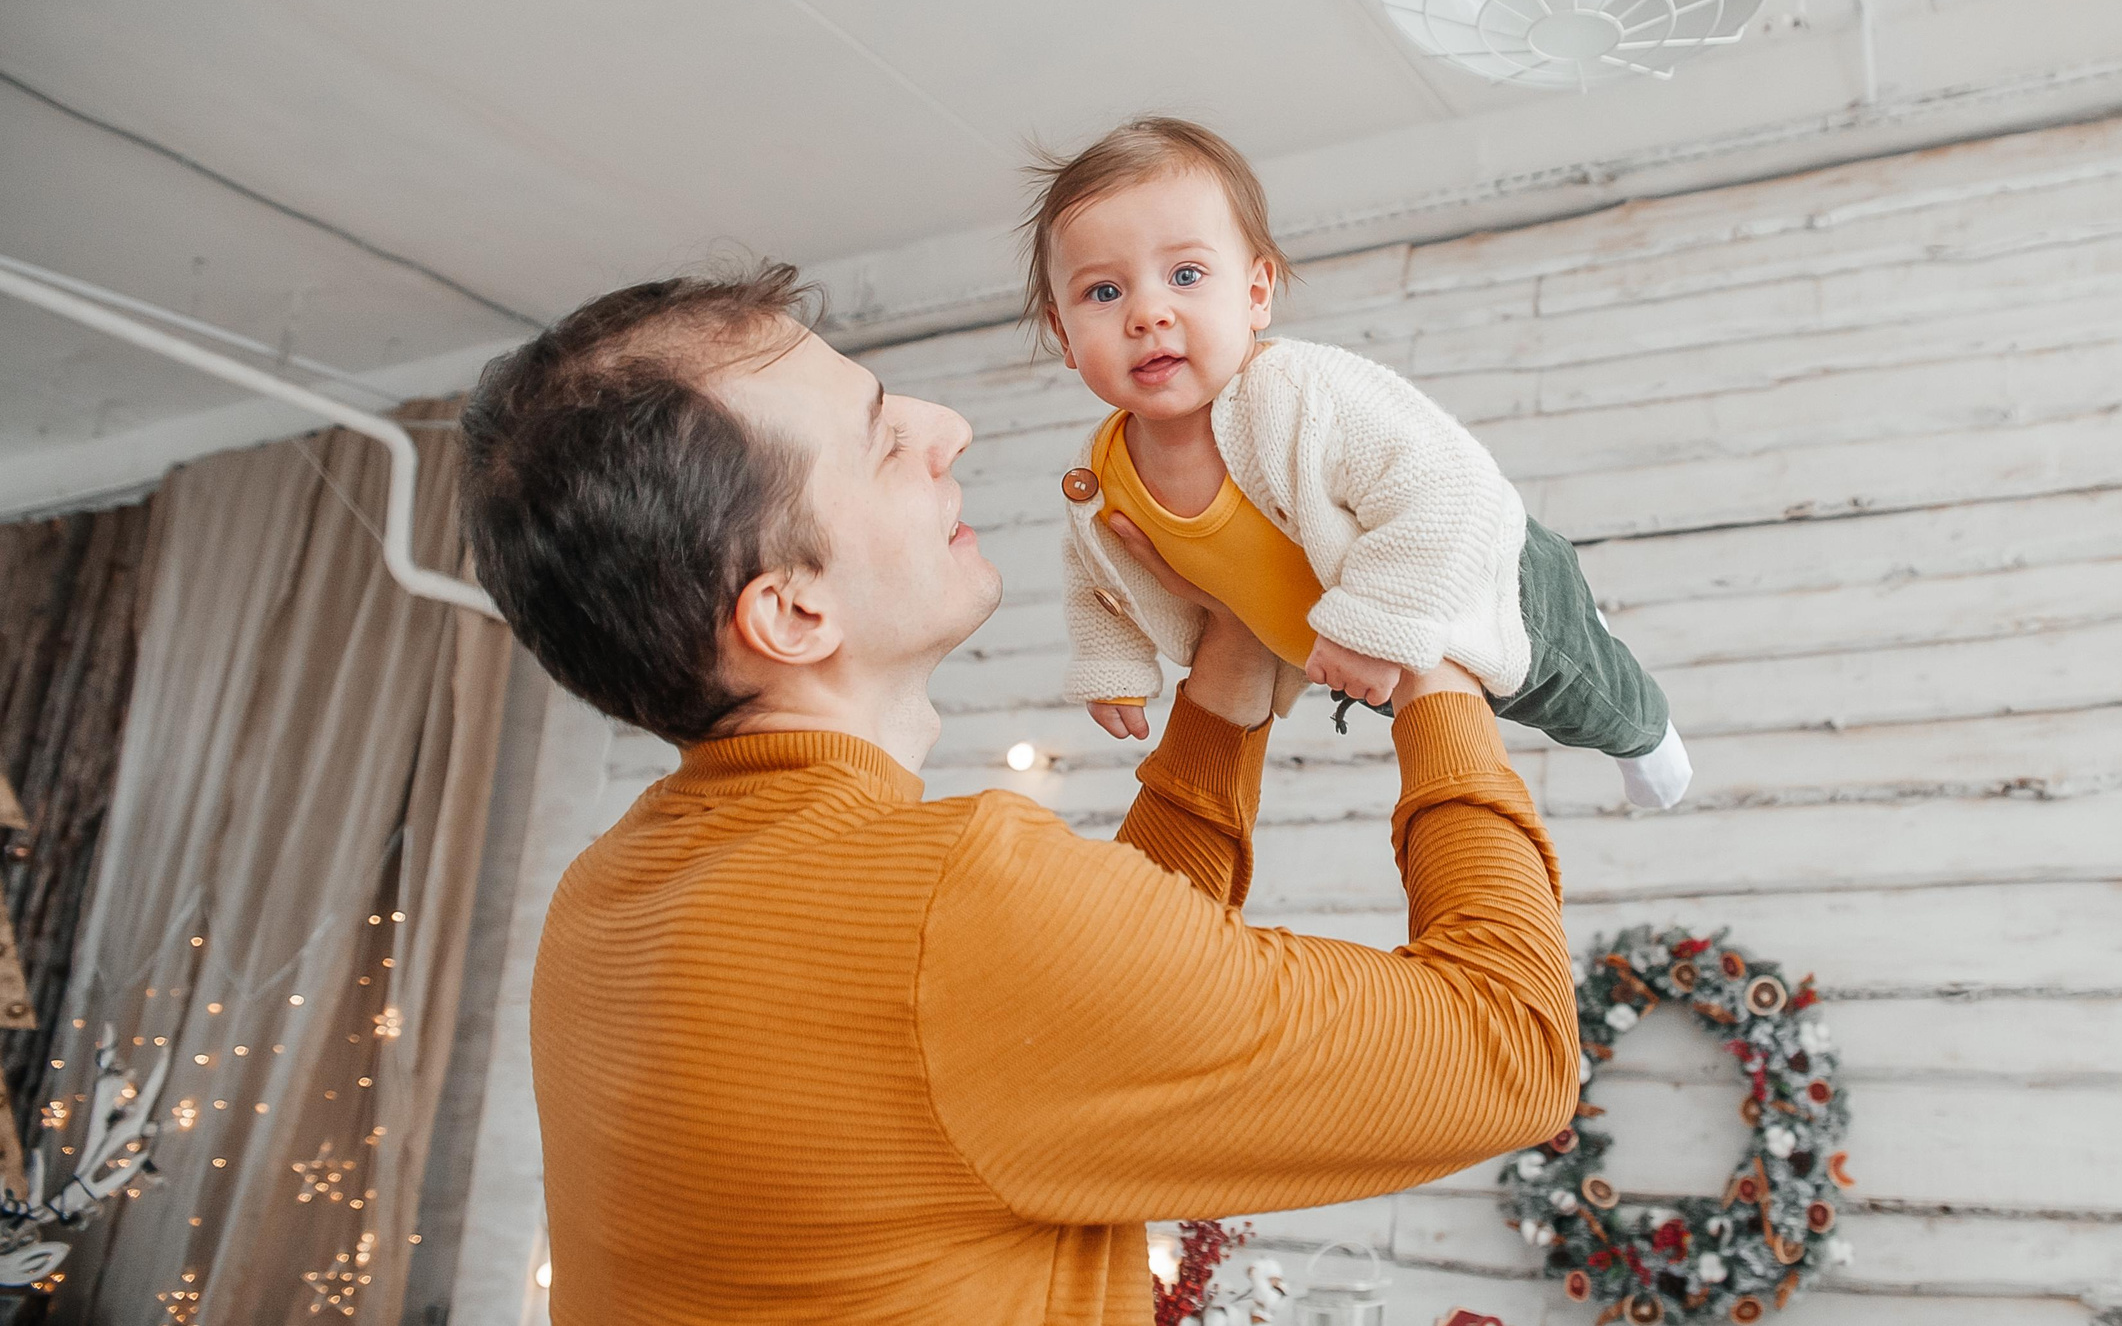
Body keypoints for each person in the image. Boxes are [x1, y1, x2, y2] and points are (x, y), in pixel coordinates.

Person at [456, 263, 1580, 1324]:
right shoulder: (958, 904)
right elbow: (1511, 1050)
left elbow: (1076, 1025)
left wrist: (1227, 674)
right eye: (882, 438)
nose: (947, 427)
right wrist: (1433, 655)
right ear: (793, 612)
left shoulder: (606, 895)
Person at [1028, 117, 1692, 808]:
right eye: (1104, 292)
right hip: (1358, 641)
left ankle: (1649, 732)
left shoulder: (1297, 394)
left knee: (1578, 698)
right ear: (1063, 334)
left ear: (1257, 293)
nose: (1148, 313)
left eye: (1186, 275)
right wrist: (1111, 660)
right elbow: (1096, 572)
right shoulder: (1101, 471)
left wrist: (1375, 619)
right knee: (1447, 718)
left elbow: (1449, 483)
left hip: (1479, 579)